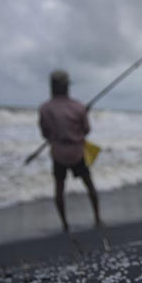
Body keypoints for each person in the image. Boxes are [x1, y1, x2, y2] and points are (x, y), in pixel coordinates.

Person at [39, 70, 101, 233]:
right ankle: (97, 218)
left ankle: (65, 224)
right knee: (89, 185)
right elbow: (86, 130)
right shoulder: (78, 107)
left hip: (58, 153)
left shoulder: (45, 108)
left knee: (59, 189)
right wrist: (82, 116)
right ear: (67, 86)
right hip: (77, 152)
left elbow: (45, 133)